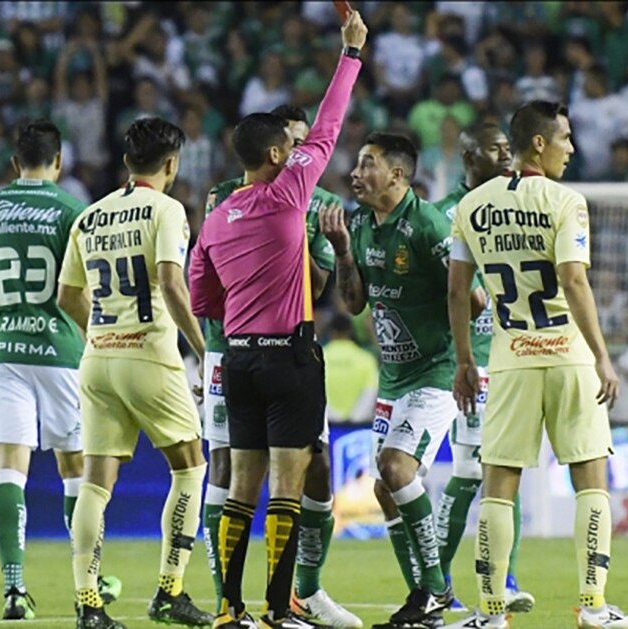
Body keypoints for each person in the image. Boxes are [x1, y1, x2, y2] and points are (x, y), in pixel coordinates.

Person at [189, 11, 367, 629]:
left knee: (241, 488)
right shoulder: (289, 194)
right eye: (288, 149)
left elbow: (201, 297)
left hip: (237, 358)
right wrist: (350, 55)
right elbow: (329, 126)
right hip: (289, 357)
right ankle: (276, 610)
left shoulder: (215, 218)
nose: (298, 154)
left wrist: (243, 308)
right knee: (286, 490)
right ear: (273, 154)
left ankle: (227, 608)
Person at [443, 100, 628, 629]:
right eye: (565, 138)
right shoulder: (566, 201)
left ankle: (491, 613)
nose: (572, 149)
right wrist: (602, 356)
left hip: (509, 359)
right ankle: (593, 607)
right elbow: (574, 279)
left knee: (498, 485)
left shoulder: (471, 205)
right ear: (538, 143)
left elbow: (457, 290)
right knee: (591, 480)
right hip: (568, 356)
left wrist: (464, 360)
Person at [57, 118, 213, 629]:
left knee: (94, 483)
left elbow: (67, 296)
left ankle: (88, 603)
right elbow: (170, 282)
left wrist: (101, 335)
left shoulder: (90, 216)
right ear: (172, 164)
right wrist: (203, 350)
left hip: (98, 358)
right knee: (189, 466)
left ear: (127, 162)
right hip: (148, 353)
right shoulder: (167, 210)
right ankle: (170, 591)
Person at [0, 120, 119, 620]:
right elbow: (83, 284)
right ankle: (89, 584)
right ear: (59, 162)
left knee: (10, 468)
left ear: (15, 163)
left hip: (6, 351)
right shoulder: (73, 211)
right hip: (61, 352)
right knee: (75, 469)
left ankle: (14, 590)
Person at [320, 132, 471, 628]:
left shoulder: (428, 225)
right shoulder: (360, 223)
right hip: (393, 377)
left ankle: (437, 590)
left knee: (396, 468)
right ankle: (423, 599)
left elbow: (471, 298)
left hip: (435, 370)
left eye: (368, 164)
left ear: (397, 175)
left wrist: (465, 359)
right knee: (386, 489)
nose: (355, 172)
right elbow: (353, 304)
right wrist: (344, 252)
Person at [430, 124, 535, 616]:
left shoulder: (515, 204)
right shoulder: (445, 215)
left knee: (506, 467)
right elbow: (452, 293)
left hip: (513, 355)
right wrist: (462, 357)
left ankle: (503, 578)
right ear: (470, 156)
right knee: (473, 471)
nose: (507, 156)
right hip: (470, 359)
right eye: (497, 149)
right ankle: (436, 577)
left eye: (509, 149)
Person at [323, 313, 379, 425]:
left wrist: (333, 415)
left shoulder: (319, 357)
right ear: (350, 331)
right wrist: (355, 417)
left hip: (327, 423)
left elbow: (313, 389)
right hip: (358, 425)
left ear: (331, 332)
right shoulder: (366, 359)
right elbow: (370, 391)